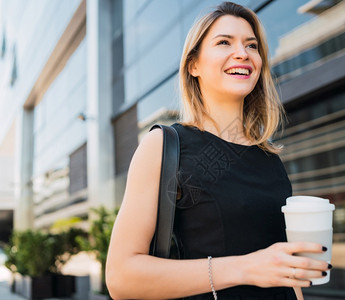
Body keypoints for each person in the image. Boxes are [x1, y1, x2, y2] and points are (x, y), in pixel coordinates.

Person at [106, 2, 331, 299]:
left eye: (252, 45)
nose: (243, 53)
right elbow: (121, 277)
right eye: (224, 42)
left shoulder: (268, 157)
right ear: (193, 65)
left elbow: (286, 272)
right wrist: (246, 268)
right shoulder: (165, 146)